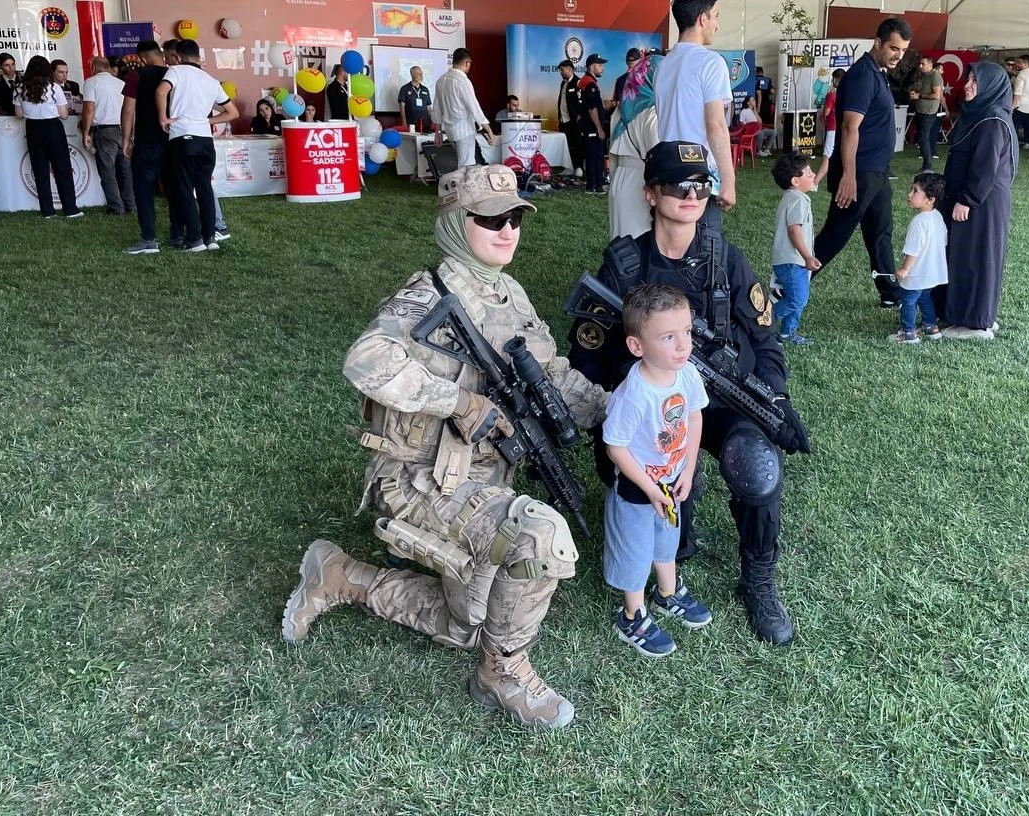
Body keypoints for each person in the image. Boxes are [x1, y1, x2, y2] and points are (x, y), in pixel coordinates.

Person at [281, 164, 608, 729]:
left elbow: (551, 372)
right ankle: (502, 674)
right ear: (458, 223)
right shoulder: (426, 294)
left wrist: (616, 410)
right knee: (541, 536)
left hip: (485, 477)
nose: (508, 231)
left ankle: (340, 575)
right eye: (491, 220)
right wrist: (456, 401)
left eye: (515, 218)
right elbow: (366, 360)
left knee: (472, 624)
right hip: (419, 477)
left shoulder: (508, 292)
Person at [569, 140, 810, 646]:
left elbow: (765, 341)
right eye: (679, 187)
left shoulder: (727, 261)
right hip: (648, 406)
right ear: (651, 193)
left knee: (757, 466)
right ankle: (669, 552)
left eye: (703, 186)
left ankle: (758, 579)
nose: (693, 196)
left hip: (718, 399)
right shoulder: (624, 267)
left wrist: (777, 400)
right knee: (650, 475)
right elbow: (588, 357)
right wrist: (634, 394)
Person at [603, 283, 712, 658]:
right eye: (668, 337)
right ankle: (632, 615)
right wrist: (650, 489)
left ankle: (667, 592)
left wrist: (688, 469)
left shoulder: (687, 374)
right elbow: (616, 447)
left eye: (687, 332)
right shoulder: (635, 394)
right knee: (635, 550)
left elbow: (694, 417)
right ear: (637, 346)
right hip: (639, 489)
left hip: (671, 479)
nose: (684, 345)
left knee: (667, 540)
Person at [808, 18, 912, 308]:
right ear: (877, 43)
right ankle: (789, 284)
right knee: (836, 233)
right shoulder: (862, 75)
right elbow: (849, 128)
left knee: (881, 232)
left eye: (903, 50)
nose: (898, 55)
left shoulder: (879, 72)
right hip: (860, 172)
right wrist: (849, 176)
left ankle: (889, 292)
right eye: (894, 48)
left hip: (877, 173)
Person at [938, 62, 1016, 341]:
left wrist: (967, 200)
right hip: (978, 200)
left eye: (975, 81)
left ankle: (974, 323)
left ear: (991, 87)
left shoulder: (991, 120)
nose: (968, 85)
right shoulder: (982, 115)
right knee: (970, 255)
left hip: (980, 203)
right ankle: (973, 314)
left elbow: (985, 167)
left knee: (976, 257)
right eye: (969, 79)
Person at [655, 0, 736, 228]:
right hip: (699, 179)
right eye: (716, 16)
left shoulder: (663, 65)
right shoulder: (711, 62)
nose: (717, 24)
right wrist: (729, 181)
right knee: (705, 247)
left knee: (671, 245)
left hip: (668, 175)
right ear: (703, 19)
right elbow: (716, 125)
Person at [156, 39, 239, 253]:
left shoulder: (175, 71)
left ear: (177, 56)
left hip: (182, 136)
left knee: (184, 188)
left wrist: (163, 118)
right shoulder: (211, 80)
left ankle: (194, 239)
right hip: (205, 140)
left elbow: (161, 91)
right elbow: (233, 112)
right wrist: (206, 121)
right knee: (204, 188)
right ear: (198, 57)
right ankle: (210, 237)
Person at [121, 40, 177, 254]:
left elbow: (128, 110)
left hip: (146, 140)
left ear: (142, 59)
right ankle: (178, 234)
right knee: (175, 189)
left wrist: (126, 139)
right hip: (173, 139)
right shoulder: (174, 74)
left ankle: (149, 238)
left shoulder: (137, 75)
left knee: (144, 191)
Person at [14, 55, 81, 219]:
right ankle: (70, 209)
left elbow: (19, 114)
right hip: (53, 128)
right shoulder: (54, 87)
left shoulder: (19, 88)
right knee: (63, 169)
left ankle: (47, 211)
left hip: (33, 128)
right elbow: (63, 114)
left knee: (40, 170)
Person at [889, 172, 947, 345]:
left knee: (908, 300)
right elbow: (943, 241)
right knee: (924, 297)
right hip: (931, 272)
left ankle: (908, 333)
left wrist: (904, 269)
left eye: (915, 191)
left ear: (930, 199)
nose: (909, 194)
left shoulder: (918, 222)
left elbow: (913, 250)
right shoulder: (937, 216)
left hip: (916, 273)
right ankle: (931, 327)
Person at [608, 53, 661, 240]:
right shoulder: (653, 113)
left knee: (619, 241)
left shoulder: (620, 110)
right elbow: (658, 158)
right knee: (641, 242)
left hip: (619, 178)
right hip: (642, 183)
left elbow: (612, 155)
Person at [770, 152, 821, 347]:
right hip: (793, 261)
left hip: (795, 261)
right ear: (795, 181)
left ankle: (786, 334)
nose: (813, 174)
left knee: (800, 299)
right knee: (797, 299)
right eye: (808, 172)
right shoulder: (797, 199)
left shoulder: (792, 197)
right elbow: (794, 230)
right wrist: (808, 257)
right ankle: (763, 322)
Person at [80, 55, 134, 215]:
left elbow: (89, 109)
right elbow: (131, 110)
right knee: (125, 170)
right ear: (109, 67)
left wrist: (86, 132)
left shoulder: (91, 82)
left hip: (104, 131)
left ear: (93, 67)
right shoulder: (121, 83)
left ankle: (116, 207)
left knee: (107, 170)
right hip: (123, 129)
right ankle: (130, 205)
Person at [434, 47, 493, 168]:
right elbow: (474, 106)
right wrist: (487, 128)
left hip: (450, 131)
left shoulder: (440, 80)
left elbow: (437, 109)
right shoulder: (462, 81)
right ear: (467, 62)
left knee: (460, 164)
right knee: (466, 166)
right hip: (464, 130)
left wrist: (438, 132)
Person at [577, 53, 608, 196]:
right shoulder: (589, 83)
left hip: (586, 126)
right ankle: (594, 186)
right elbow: (592, 108)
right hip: (592, 127)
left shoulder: (584, 81)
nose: (602, 68)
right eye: (600, 65)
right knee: (595, 156)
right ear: (591, 67)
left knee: (593, 155)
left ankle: (595, 184)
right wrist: (599, 128)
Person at [910, 56, 944, 174]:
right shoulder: (926, 75)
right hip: (921, 111)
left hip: (928, 113)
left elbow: (937, 95)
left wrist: (919, 95)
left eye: (923, 64)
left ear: (930, 64)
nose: (920, 66)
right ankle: (926, 165)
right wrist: (916, 94)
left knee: (924, 138)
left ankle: (928, 166)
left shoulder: (935, 75)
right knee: (922, 138)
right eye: (920, 64)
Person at [557, 59, 584, 177]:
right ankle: (569, 167)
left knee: (577, 143)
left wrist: (579, 117)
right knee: (567, 145)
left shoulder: (578, 82)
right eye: (560, 70)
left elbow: (582, 102)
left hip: (575, 121)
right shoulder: (563, 83)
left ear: (570, 69)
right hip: (563, 120)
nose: (561, 72)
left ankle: (579, 167)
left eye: (562, 70)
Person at [397, 65, 432, 132]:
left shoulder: (425, 89)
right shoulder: (405, 88)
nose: (420, 75)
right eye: (418, 73)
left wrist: (433, 121)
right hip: (411, 123)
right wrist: (404, 122)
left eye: (421, 73)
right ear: (412, 74)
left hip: (425, 123)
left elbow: (429, 107)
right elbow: (402, 106)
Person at [607, 48, 640, 115]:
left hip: (626, 116)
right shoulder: (646, 78)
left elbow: (617, 103)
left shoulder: (620, 80)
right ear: (639, 61)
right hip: (642, 116)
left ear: (626, 62)